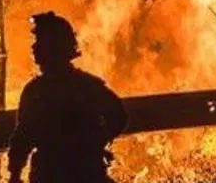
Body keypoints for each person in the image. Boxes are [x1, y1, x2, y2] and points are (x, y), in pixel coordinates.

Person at [7, 12, 127, 183]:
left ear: (54, 47)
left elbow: (23, 137)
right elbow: (118, 115)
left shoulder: (36, 92)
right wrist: (96, 143)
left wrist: (15, 174)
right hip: (83, 172)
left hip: (55, 174)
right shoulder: (85, 85)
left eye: (40, 42)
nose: (34, 47)